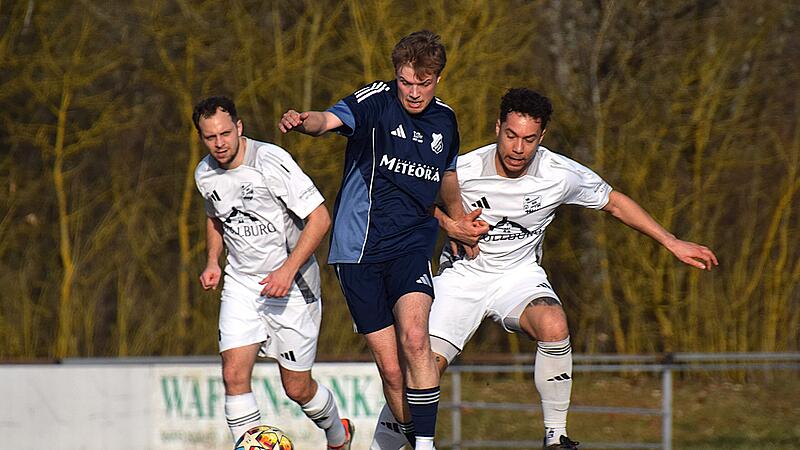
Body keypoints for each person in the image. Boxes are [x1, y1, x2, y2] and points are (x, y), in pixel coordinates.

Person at [370, 88, 719, 450]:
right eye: (511, 135)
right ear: (497, 128)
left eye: (528, 139)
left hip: (519, 277)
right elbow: (408, 199)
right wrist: (450, 224)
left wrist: (671, 241)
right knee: (422, 369)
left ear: (541, 137)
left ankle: (555, 436)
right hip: (462, 276)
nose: (518, 148)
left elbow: (613, 202)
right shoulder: (463, 169)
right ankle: (383, 443)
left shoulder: (560, 173)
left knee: (554, 323)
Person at [279, 30, 481, 450]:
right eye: (405, 81)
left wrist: (458, 222)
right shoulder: (376, 101)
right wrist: (305, 122)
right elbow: (328, 120)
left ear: (437, 80)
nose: (413, 92)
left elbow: (446, 176)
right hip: (358, 252)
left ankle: (425, 446)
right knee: (391, 372)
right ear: (396, 75)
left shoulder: (445, 119)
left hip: (411, 245)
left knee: (415, 339)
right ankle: (410, 441)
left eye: (422, 84)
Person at [193, 96, 354, 449]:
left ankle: (338, 435)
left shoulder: (272, 162)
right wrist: (212, 260)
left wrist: (286, 270)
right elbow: (215, 216)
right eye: (210, 137)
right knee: (234, 376)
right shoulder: (204, 173)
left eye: (224, 133)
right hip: (242, 282)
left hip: (293, 285)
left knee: (297, 388)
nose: (219, 143)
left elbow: (320, 218)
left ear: (239, 127)